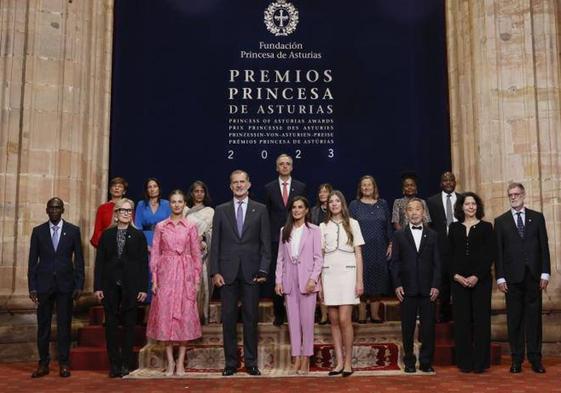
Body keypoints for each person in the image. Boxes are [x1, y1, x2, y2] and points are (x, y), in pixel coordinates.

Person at [210, 170, 271, 376]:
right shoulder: (220, 210)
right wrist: (214, 272)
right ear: (230, 186)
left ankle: (251, 363)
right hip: (226, 273)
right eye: (235, 182)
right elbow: (215, 244)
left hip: (252, 272)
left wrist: (263, 269)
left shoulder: (260, 210)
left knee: (251, 318)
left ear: (249, 184)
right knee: (228, 318)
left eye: (242, 182)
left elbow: (265, 245)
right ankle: (230, 364)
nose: (238, 185)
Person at [495, 182, 550, 374]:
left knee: (534, 320)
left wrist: (545, 272)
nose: (513, 197)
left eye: (517, 193)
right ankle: (516, 359)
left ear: (524, 195)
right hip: (512, 279)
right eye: (510, 194)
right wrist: (500, 277)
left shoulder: (537, 218)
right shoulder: (500, 221)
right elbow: (499, 252)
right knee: (515, 320)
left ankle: (535, 359)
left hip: (534, 277)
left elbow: (544, 246)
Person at [27, 197, 85, 378]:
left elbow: (80, 262)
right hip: (43, 286)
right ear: (46, 210)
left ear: (62, 210)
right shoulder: (38, 232)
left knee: (64, 325)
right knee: (43, 326)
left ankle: (64, 363)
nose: (54, 211)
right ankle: (43, 363)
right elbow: (32, 262)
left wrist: (79, 285)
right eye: (51, 208)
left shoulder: (73, 231)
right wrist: (32, 287)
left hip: (65, 286)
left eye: (57, 208)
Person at [147, 190, 202, 376]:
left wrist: (196, 280)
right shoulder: (161, 226)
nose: (177, 205)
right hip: (166, 274)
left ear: (184, 204)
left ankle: (180, 362)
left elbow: (196, 255)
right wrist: (154, 279)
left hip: (185, 274)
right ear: (169, 204)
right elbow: (155, 253)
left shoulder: (190, 226)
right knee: (166, 317)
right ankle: (170, 361)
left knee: (184, 317)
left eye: (180, 202)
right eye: (173, 202)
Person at [94, 198, 148, 378]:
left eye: (129, 210)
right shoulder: (107, 235)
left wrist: (143, 288)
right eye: (122, 210)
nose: (126, 213)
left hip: (131, 286)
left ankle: (126, 363)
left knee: (129, 326)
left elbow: (142, 263)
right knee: (110, 326)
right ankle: (114, 364)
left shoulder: (138, 235)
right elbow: (99, 262)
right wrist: (98, 286)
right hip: (109, 286)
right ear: (115, 214)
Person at [391, 198, 440, 373]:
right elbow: (395, 262)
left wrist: (436, 284)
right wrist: (397, 285)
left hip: (428, 289)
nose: (413, 212)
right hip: (407, 287)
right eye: (410, 209)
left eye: (417, 209)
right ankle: (409, 361)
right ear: (406, 213)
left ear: (423, 212)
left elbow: (437, 263)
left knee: (428, 328)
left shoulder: (433, 235)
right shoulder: (398, 235)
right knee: (407, 327)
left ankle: (426, 362)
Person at [275, 196, 323, 375]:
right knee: (293, 321)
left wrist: (313, 279)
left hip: (307, 280)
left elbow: (319, 258)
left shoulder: (314, 230)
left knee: (307, 321)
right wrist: (278, 280)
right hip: (289, 280)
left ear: (306, 210)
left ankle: (306, 358)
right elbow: (280, 258)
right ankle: (296, 356)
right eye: (294, 207)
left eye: (300, 207)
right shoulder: (284, 231)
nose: (296, 210)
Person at [320, 190, 364, 377]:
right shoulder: (322, 226)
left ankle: (348, 362)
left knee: (345, 319)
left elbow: (359, 254)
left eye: (337, 201)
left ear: (342, 203)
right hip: (329, 274)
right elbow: (319, 256)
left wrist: (359, 280)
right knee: (334, 320)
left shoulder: (353, 223)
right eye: (331, 201)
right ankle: (338, 362)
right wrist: (320, 284)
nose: (334, 204)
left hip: (348, 274)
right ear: (327, 205)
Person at [449, 192, 493, 373]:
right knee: (462, 322)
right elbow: (449, 255)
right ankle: (464, 362)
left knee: (481, 321)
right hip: (458, 282)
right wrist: (456, 276)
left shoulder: (486, 227)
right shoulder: (453, 227)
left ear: (478, 207)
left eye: (473, 204)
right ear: (461, 207)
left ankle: (481, 363)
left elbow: (490, 254)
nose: (470, 207)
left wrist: (477, 276)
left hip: (481, 281)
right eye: (467, 204)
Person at [264, 154, 307, 326]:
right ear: (277, 167)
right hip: (275, 238)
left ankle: (298, 312)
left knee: (298, 274)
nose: (284, 166)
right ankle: (279, 314)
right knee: (279, 276)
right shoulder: (269, 188)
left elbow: (304, 211)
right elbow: (266, 215)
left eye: (287, 164)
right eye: (281, 164)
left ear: (292, 167)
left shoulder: (300, 186)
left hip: (297, 236)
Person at [349, 176, 392, 324]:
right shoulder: (354, 205)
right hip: (361, 249)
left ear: (374, 187)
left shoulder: (383, 204)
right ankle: (361, 314)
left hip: (380, 248)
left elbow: (388, 226)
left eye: (369, 185)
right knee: (362, 278)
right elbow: (349, 227)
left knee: (378, 279)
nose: (366, 187)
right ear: (360, 189)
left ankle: (374, 314)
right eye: (363, 185)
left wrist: (391, 243)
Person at [427, 171, 459, 322]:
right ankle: (444, 313)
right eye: (445, 180)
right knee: (443, 280)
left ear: (455, 182)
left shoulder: (463, 199)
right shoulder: (432, 201)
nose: (448, 183)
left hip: (459, 245)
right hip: (440, 245)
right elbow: (430, 225)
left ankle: (460, 312)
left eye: (451, 180)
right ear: (441, 183)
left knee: (458, 278)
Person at [134, 177, 171, 303]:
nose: (152, 189)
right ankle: (145, 305)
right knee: (147, 271)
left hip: (163, 241)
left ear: (159, 188)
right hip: (145, 240)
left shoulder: (167, 204)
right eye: (149, 187)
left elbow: (170, 226)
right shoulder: (141, 204)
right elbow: (137, 226)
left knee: (161, 272)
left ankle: (159, 305)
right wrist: (145, 245)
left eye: (155, 186)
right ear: (146, 190)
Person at [184, 180, 214, 324]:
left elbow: (212, 231)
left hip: (204, 252)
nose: (199, 194)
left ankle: (203, 317)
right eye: (196, 191)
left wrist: (203, 238)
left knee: (204, 283)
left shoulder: (210, 211)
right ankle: (189, 318)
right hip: (188, 253)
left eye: (202, 191)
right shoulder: (185, 211)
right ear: (192, 193)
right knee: (189, 286)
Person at [311, 183, 333, 325]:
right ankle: (324, 315)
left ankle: (333, 314)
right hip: (317, 250)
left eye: (326, 192)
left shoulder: (336, 209)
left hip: (333, 251)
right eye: (321, 192)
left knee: (332, 283)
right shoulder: (314, 211)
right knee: (321, 283)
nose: (323, 194)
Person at [91, 177, 129, 248]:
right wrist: (106, 241)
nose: (116, 188)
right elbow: (97, 230)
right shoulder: (102, 208)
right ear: (110, 190)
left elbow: (132, 228)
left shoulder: (128, 207)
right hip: (106, 245)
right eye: (114, 186)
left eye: (120, 186)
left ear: (124, 191)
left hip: (125, 246)